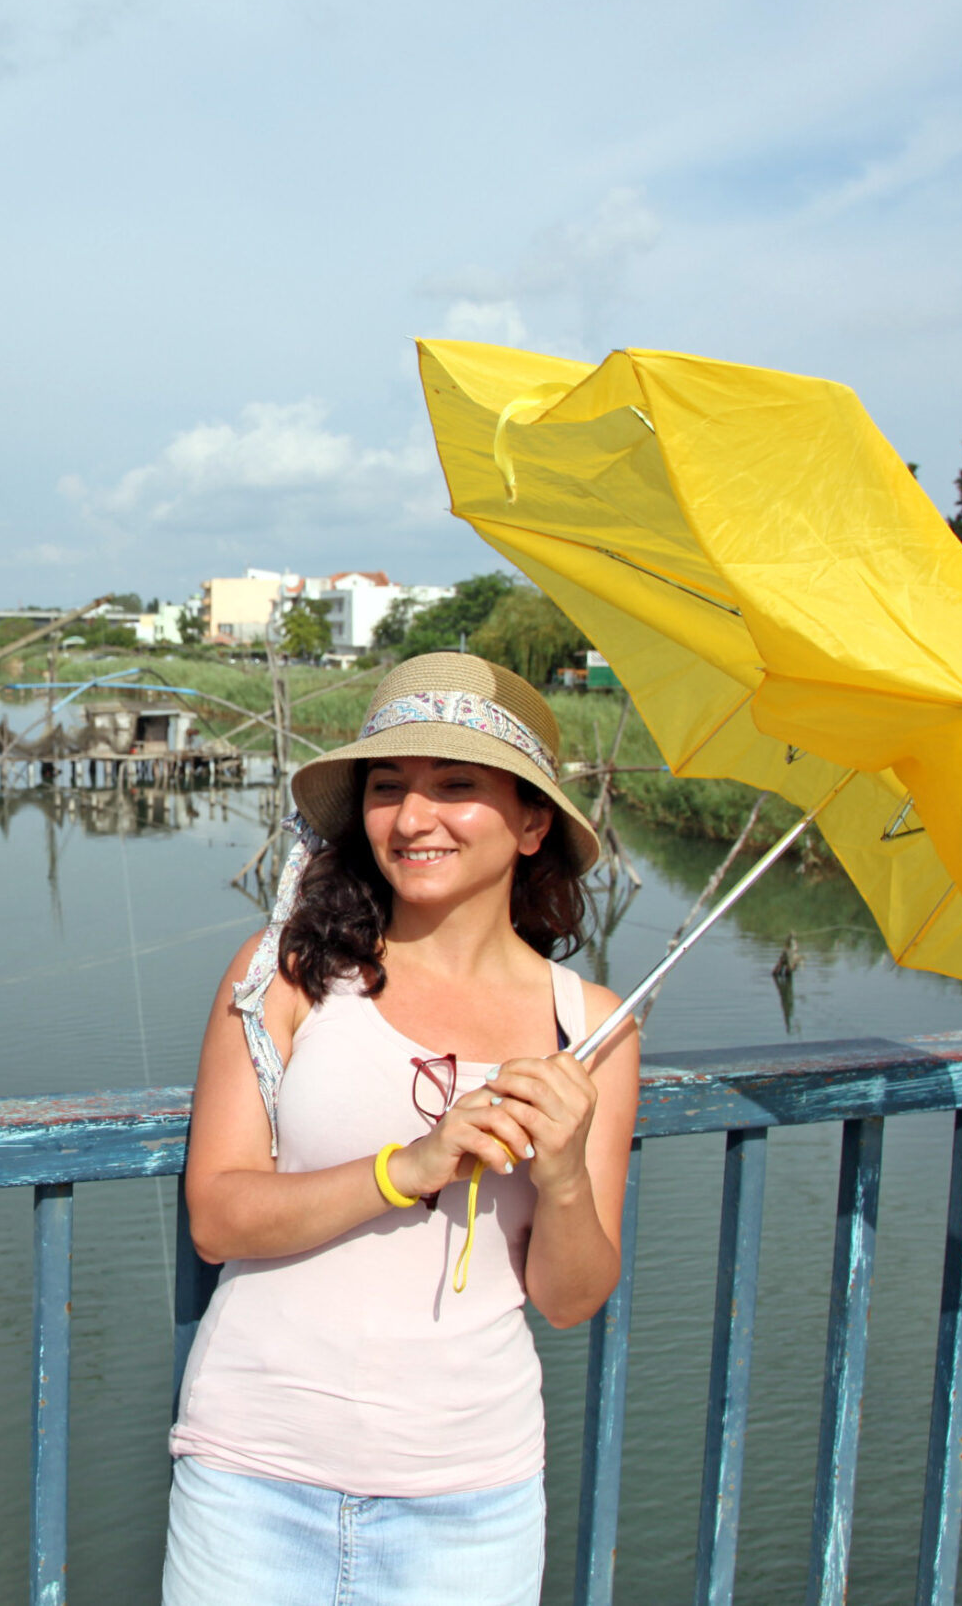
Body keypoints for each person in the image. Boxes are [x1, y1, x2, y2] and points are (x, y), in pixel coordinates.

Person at [164, 652, 640, 1606]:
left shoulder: (592, 1029)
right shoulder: (286, 972)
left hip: (470, 1502)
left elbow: (569, 1297)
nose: (414, 819)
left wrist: (560, 1178)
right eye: (389, 788)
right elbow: (218, 1213)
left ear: (534, 820)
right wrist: (412, 1163)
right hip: (252, 1475)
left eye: (457, 786)